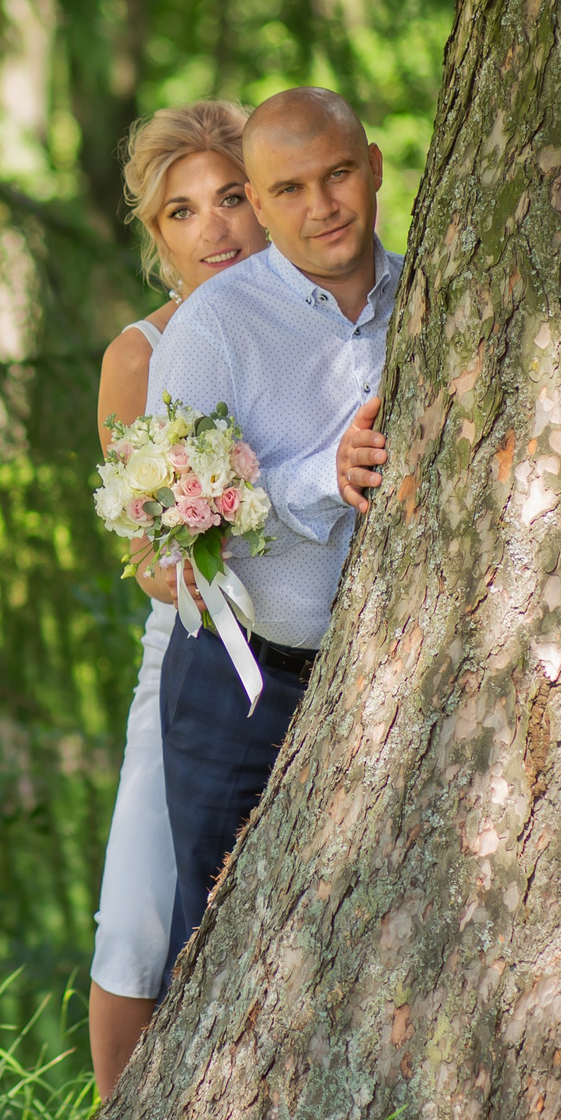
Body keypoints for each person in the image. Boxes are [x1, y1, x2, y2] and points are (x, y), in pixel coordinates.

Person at [146, 85, 400, 985]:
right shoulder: (213, 330)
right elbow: (178, 517)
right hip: (239, 686)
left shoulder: (429, 295)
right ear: (257, 204)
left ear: (373, 168)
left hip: (388, 693)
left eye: (337, 174)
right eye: (288, 189)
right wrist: (319, 476)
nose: (321, 206)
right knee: (211, 949)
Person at [86, 100, 270, 1101]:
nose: (216, 229)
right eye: (183, 211)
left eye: (234, 197)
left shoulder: (317, 319)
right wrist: (205, 528)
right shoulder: (138, 356)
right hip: (199, 639)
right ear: (158, 237)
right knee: (138, 909)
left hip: (325, 645)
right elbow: (145, 553)